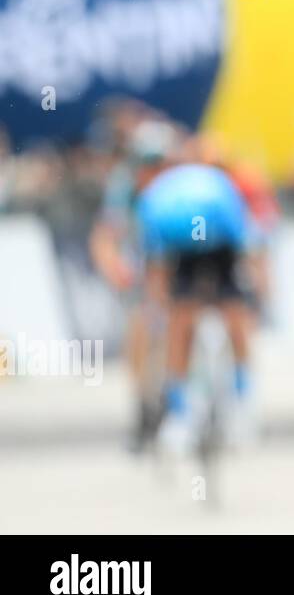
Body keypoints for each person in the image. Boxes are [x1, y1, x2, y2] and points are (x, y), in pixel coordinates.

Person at [134, 159, 258, 455]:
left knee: (183, 320)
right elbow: (248, 250)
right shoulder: (174, 200)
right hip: (210, 245)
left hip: (204, 246)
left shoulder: (157, 201)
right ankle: (239, 400)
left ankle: (185, 412)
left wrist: (158, 305)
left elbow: (157, 268)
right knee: (230, 314)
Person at [89, 118, 179, 451]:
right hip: (141, 261)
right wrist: (115, 268)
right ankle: (142, 406)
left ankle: (176, 396)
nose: (153, 172)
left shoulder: (180, 183)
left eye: (160, 164)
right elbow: (105, 236)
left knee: (178, 324)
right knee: (140, 330)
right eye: (147, 164)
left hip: (175, 259)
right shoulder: (124, 185)